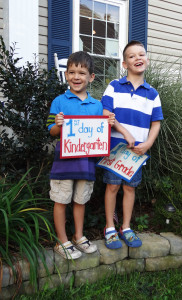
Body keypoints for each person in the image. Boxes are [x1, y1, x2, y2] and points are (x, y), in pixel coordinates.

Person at [46, 51, 115, 259]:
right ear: (66, 75)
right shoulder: (59, 101)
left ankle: (78, 235)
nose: (77, 77)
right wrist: (57, 125)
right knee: (61, 200)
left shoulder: (97, 106)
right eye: (72, 72)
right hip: (64, 162)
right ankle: (62, 240)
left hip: (86, 163)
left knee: (80, 201)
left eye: (82, 73)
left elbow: (100, 133)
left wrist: (108, 125)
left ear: (91, 77)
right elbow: (51, 131)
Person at [101, 40, 164, 249]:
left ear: (147, 59)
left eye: (141, 54)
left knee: (129, 189)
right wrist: (124, 131)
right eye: (132, 56)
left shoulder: (152, 93)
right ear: (124, 63)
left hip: (137, 152)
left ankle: (125, 227)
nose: (138, 58)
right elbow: (106, 114)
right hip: (115, 149)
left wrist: (148, 144)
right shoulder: (114, 86)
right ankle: (110, 227)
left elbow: (156, 123)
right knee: (112, 186)